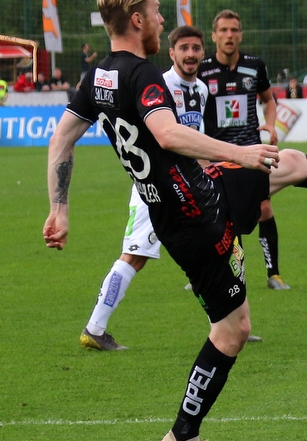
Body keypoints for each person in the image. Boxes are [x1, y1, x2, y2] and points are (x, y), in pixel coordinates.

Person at [44, 0, 307, 441]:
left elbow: (61, 139)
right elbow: (168, 134)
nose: (163, 17)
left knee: (284, 161)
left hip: (192, 194)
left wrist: (59, 208)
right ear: (137, 20)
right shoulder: (143, 75)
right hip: (193, 218)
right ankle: (181, 439)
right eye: (157, 11)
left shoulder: (98, 77)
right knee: (232, 330)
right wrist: (239, 153)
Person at [78, 24, 259, 350]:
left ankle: (229, 321)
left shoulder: (202, 90)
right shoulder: (156, 83)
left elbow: (194, 136)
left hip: (187, 183)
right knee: (134, 255)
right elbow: (162, 135)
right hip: (157, 185)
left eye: (195, 48)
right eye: (183, 49)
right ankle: (94, 327)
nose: (190, 55)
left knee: (211, 246)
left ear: (203, 53)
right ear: (171, 53)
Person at [199, 10, 290, 290]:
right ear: (214, 36)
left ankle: (273, 274)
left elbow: (268, 99)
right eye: (224, 30)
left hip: (251, 151)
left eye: (234, 30)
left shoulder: (255, 65)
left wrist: (271, 125)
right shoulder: (202, 69)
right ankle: (206, 271)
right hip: (217, 152)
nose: (229, 35)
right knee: (214, 215)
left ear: (240, 34)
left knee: (264, 208)